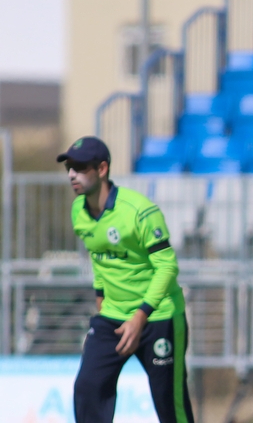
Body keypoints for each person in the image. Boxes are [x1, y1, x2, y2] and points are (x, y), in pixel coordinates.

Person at [59, 136, 195, 423]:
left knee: (170, 405)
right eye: (69, 167)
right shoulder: (78, 212)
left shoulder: (140, 211)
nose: (72, 174)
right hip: (113, 316)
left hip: (159, 316)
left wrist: (140, 317)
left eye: (80, 167)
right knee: (88, 388)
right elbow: (99, 257)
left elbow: (167, 267)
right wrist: (101, 297)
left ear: (102, 169)